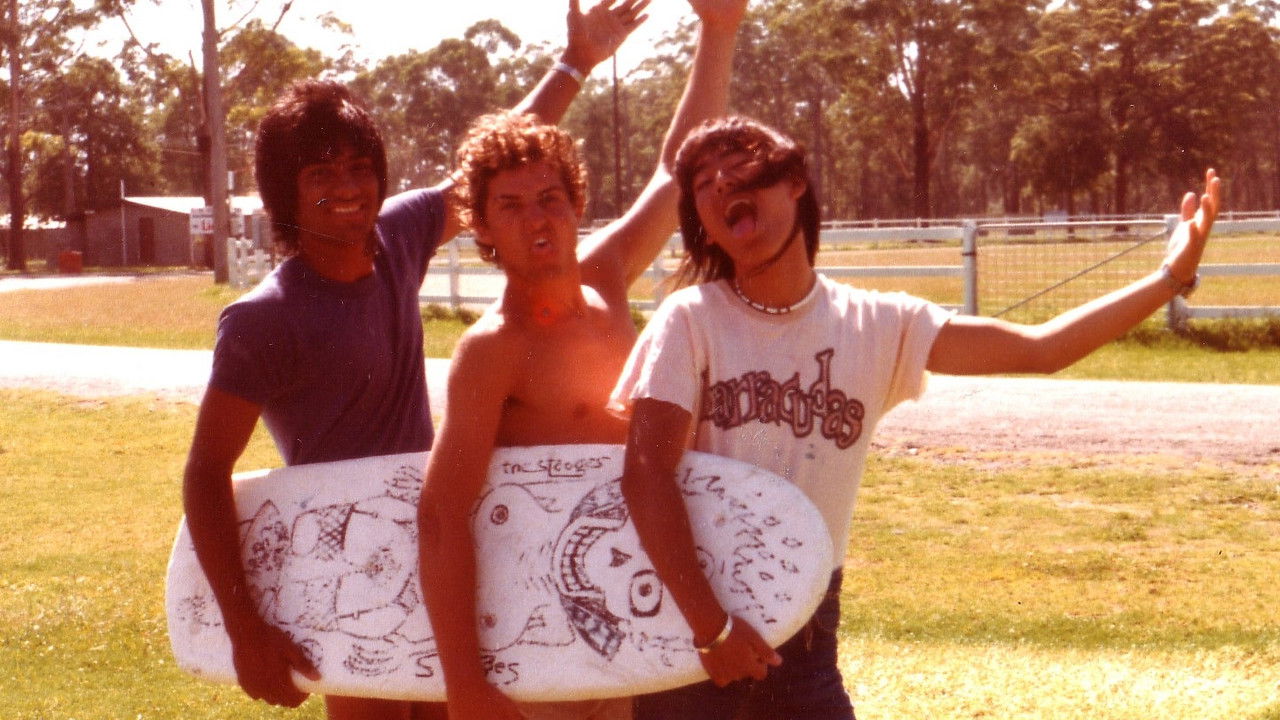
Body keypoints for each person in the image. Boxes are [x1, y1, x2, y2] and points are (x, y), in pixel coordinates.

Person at [608, 116, 1222, 720]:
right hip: (693, 626)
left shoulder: (879, 325)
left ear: (794, 181)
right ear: (704, 230)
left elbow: (1043, 347)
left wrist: (1170, 277)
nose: (719, 181)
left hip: (808, 627)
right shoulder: (690, 319)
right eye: (701, 182)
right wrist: (712, 629)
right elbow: (646, 475)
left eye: (739, 164)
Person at [181, 3, 651, 719]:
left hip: (448, 553)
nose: (347, 187)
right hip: (348, 557)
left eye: (360, 166)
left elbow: (483, 170)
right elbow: (205, 472)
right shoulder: (263, 319)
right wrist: (245, 628)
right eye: (320, 172)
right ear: (285, 191)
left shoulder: (396, 237)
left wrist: (576, 65)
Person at [414, 2, 748, 719]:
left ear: (576, 203)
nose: (537, 218)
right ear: (483, 229)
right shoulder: (491, 351)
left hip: (625, 614)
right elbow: (442, 514)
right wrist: (464, 684)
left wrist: (718, 31)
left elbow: (677, 171)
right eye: (510, 206)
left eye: (550, 198)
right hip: (536, 639)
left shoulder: (603, 281)